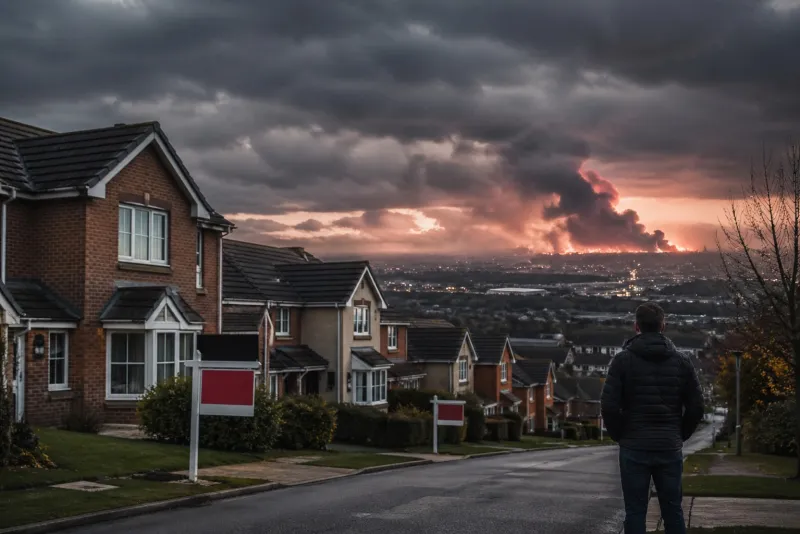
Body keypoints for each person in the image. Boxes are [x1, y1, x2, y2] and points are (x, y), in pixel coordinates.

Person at [601, 302, 704, 534]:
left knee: (635, 511)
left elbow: (609, 406)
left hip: (634, 446)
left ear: (636, 326)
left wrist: (620, 435)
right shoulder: (682, 362)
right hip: (668, 446)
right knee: (673, 510)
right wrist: (680, 434)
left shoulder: (622, 361)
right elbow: (697, 407)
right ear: (662, 326)